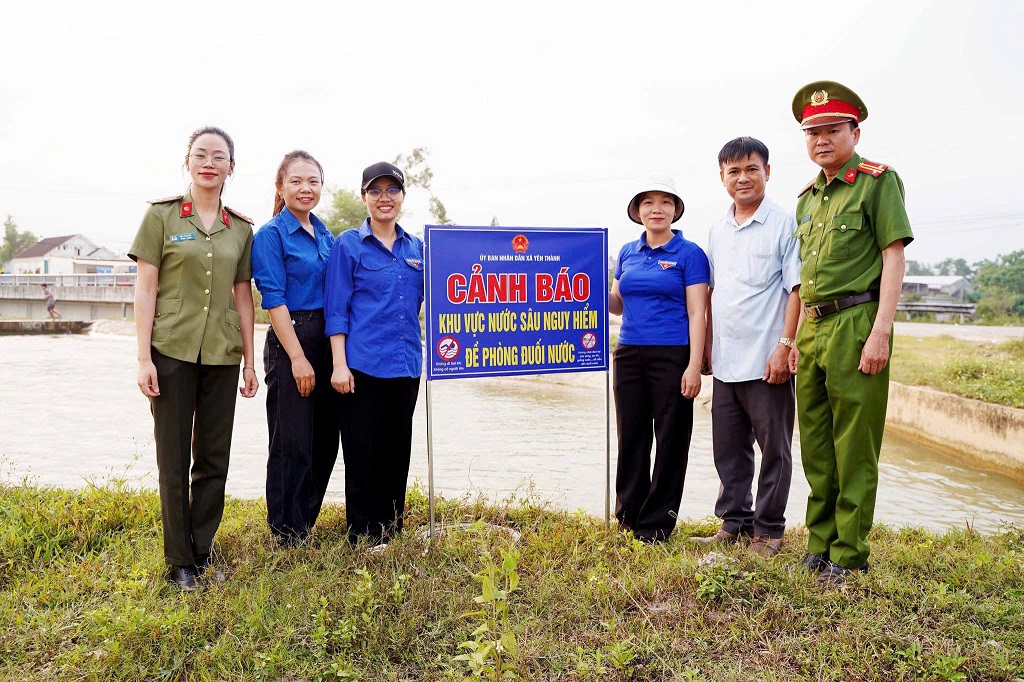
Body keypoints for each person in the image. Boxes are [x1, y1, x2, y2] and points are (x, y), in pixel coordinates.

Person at [789, 81, 913, 585]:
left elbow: (894, 256)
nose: (821, 139)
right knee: (816, 443)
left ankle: (849, 553)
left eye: (832, 130)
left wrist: (881, 330)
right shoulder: (807, 199)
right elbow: (803, 276)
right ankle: (819, 544)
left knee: (855, 444)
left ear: (854, 131)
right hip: (813, 328)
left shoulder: (877, 182)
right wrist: (794, 339)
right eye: (812, 132)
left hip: (857, 322)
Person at [129, 126, 259, 591]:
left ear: (231, 167)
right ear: (187, 161)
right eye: (200, 154)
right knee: (173, 458)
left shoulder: (241, 228)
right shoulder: (161, 217)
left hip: (222, 354)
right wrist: (143, 357)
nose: (209, 162)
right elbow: (145, 288)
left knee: (213, 458)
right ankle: (178, 560)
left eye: (218, 156)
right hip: (170, 351)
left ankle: (202, 551)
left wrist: (249, 359)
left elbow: (243, 296)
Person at [690, 137, 801, 556]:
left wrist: (784, 345)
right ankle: (734, 522)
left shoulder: (784, 224)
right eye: (733, 171)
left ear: (767, 172)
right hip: (726, 359)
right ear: (722, 178)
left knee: (775, 449)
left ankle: (769, 530)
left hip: (766, 359)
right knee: (729, 449)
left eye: (751, 169)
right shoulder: (717, 231)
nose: (743, 178)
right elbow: (714, 294)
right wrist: (705, 350)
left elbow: (797, 290)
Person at [325, 161, 424, 547]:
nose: (385, 198)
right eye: (376, 191)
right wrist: (338, 364)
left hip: (405, 366)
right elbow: (337, 308)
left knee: (397, 451)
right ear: (364, 197)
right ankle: (362, 535)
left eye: (392, 191)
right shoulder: (348, 244)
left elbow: (446, 292)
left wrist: (453, 250)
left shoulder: (417, 247)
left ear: (402, 196)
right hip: (361, 366)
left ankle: (391, 531)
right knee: (363, 452)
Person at [609, 179, 709, 543]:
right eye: (648, 202)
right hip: (629, 352)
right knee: (631, 435)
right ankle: (628, 514)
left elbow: (698, 311)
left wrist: (693, 365)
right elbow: (618, 304)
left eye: (666, 202)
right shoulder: (626, 252)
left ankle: (656, 523)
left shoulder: (690, 253)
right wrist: (585, 281)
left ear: (675, 210)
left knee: (670, 439)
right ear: (637, 211)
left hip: (673, 355)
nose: (657, 208)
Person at [252, 151, 339, 547]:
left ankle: (305, 524)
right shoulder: (271, 236)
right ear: (280, 186)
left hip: (327, 341)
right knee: (292, 440)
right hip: (293, 341)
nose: (306, 189)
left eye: (313, 182)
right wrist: (298, 357)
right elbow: (274, 300)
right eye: (297, 181)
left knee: (325, 440)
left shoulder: (325, 234)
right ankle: (286, 532)